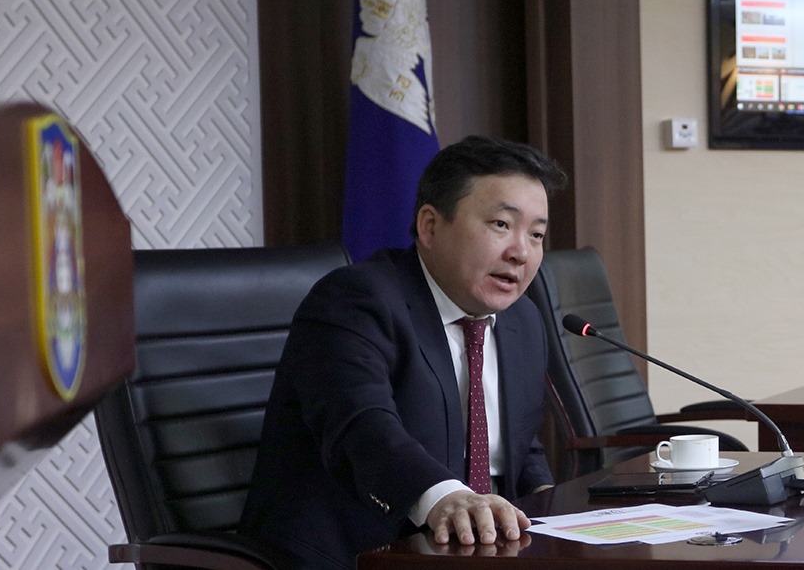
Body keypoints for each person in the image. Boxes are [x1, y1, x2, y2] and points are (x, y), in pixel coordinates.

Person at [240, 136, 568, 568]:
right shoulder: (356, 300)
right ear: (430, 226)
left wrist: (548, 503)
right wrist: (446, 498)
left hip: (472, 551)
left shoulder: (522, 320)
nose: (521, 252)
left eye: (537, 234)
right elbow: (363, 427)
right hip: (352, 555)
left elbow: (518, 444)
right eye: (501, 225)